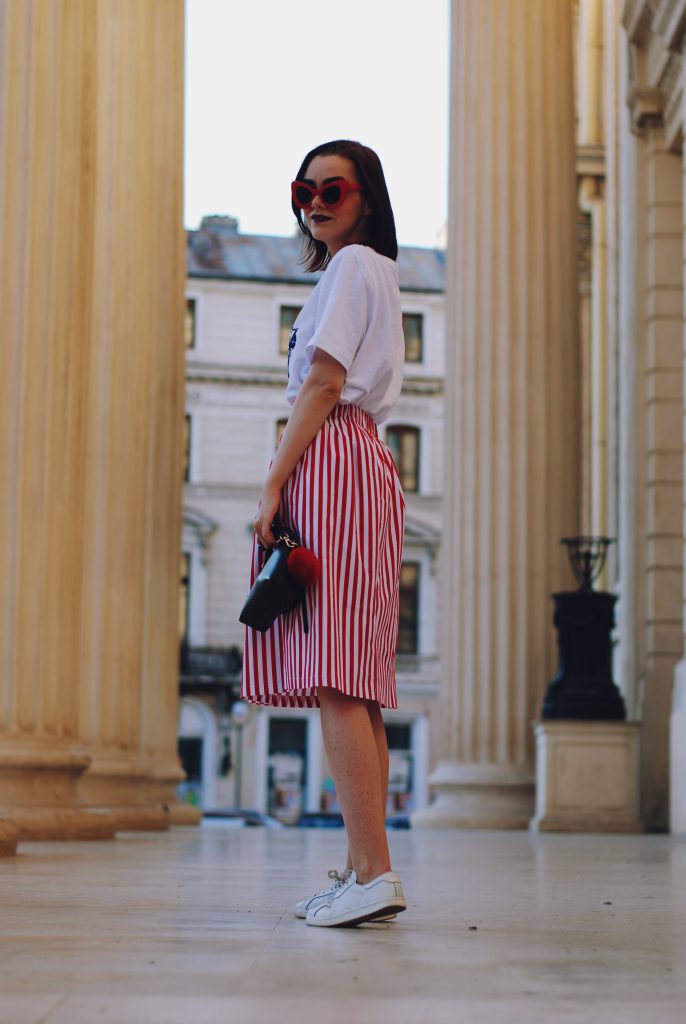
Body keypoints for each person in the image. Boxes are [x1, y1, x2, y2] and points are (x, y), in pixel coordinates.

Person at [242, 139, 407, 927]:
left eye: (331, 188)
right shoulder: (375, 272)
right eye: (304, 188)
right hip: (363, 459)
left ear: (365, 196)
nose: (314, 200)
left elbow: (326, 379)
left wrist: (275, 479)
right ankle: (362, 868)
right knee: (359, 677)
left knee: (339, 671)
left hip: (334, 455)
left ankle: (372, 872)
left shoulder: (350, 269)